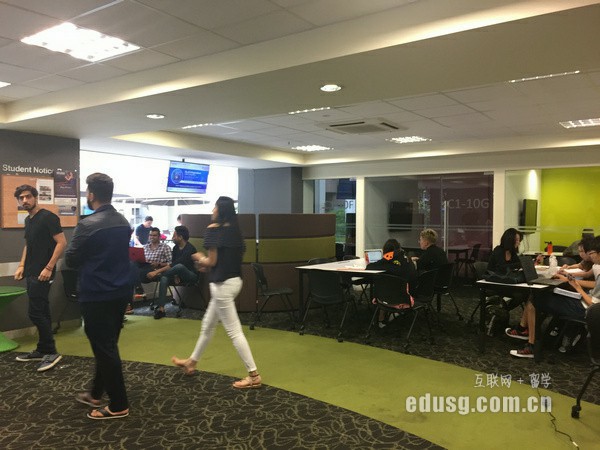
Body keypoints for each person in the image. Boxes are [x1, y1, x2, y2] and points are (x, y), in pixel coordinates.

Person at [171, 196, 261, 389]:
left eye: (215, 207)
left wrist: (199, 257)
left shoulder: (214, 229)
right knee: (208, 325)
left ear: (221, 210)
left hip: (222, 287)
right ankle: (192, 362)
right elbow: (225, 260)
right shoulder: (236, 231)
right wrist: (210, 264)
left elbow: (211, 261)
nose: (213, 210)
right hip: (234, 282)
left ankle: (253, 375)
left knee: (234, 332)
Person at [66, 173, 131, 419]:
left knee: (104, 348)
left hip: (96, 293)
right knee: (108, 345)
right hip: (120, 291)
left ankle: (118, 405)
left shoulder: (87, 224)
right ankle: (95, 393)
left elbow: (71, 259)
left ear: (91, 194)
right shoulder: (123, 221)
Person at [506, 236, 598, 358]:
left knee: (535, 298)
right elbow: (586, 273)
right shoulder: (596, 265)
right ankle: (526, 332)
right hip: (585, 302)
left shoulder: (597, 267)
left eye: (590, 253)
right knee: (539, 296)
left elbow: (593, 302)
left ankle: (531, 345)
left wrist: (576, 286)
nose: (586, 255)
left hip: (587, 309)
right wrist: (569, 276)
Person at [13, 184, 67, 372]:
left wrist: (49, 267)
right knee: (41, 309)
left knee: (35, 312)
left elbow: (61, 243)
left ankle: (51, 351)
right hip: (31, 270)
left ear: (35, 197)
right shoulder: (29, 220)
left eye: (28, 196)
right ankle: (43, 349)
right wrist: (21, 265)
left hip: (44, 272)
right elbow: (28, 245)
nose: (25, 200)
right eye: (21, 198)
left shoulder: (48, 217)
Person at [147, 225, 197, 319]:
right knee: (164, 278)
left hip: (190, 275)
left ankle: (159, 275)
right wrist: (175, 275)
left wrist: (156, 272)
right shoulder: (175, 248)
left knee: (179, 266)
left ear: (180, 237)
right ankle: (161, 309)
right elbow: (173, 264)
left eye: (174, 236)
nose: (172, 238)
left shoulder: (190, 249)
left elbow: (175, 265)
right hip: (177, 274)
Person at [367, 239, 418, 327]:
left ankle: (380, 319)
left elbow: (369, 267)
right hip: (408, 295)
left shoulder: (388, 258)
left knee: (383, 283)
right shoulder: (407, 257)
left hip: (393, 299)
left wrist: (382, 261)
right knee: (390, 284)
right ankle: (389, 315)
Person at [127, 227, 172, 314]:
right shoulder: (145, 247)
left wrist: (159, 264)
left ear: (159, 237)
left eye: (154, 235)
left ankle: (137, 293)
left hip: (155, 269)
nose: (152, 237)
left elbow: (171, 263)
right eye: (150, 235)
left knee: (131, 276)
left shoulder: (165, 247)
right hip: (144, 267)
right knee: (132, 265)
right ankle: (138, 291)